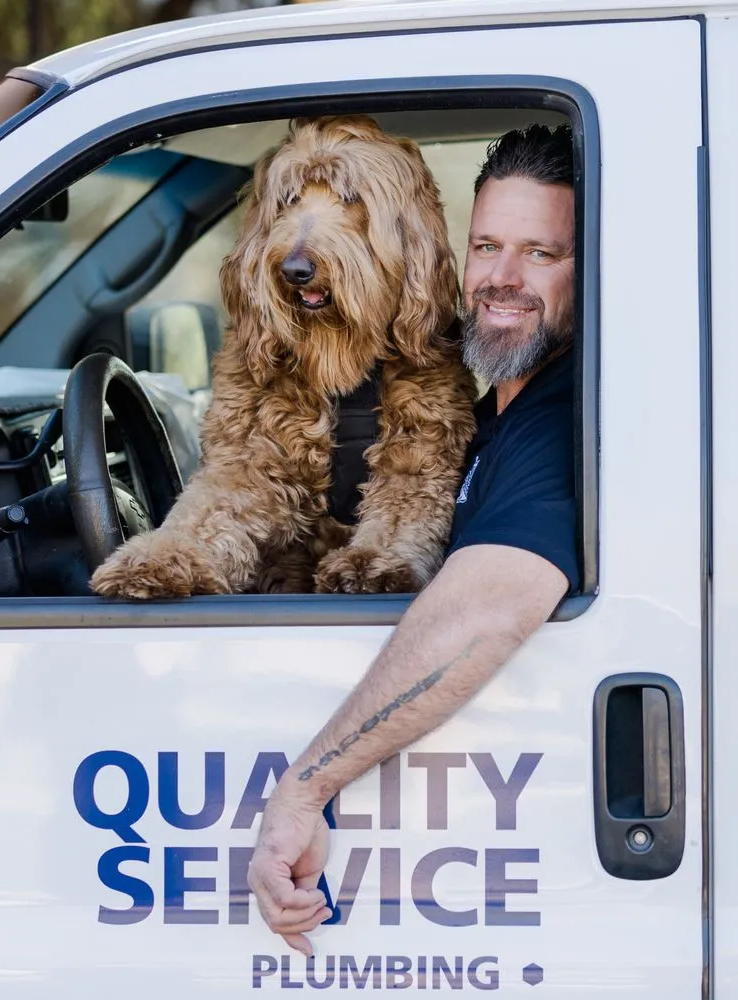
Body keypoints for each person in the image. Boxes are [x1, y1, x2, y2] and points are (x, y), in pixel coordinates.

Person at [246, 123, 579, 955]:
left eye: (541, 254)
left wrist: (305, 788)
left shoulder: (563, 418)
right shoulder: (494, 401)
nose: (502, 280)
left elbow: (488, 606)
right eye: (488, 246)